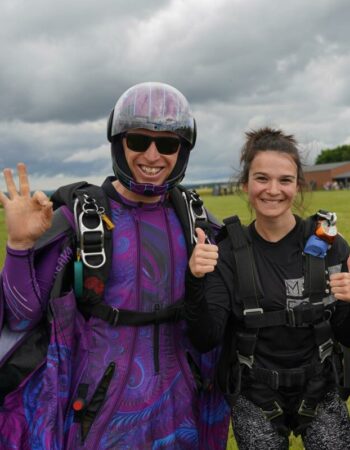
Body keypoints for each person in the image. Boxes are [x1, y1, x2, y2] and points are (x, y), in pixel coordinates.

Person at [0, 82, 229, 449]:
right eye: (138, 141)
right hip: (99, 411)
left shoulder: (199, 224)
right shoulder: (77, 220)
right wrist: (20, 247)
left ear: (182, 151)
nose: (153, 155)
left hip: (181, 409)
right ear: (118, 142)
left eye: (168, 144)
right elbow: (22, 316)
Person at [185, 127, 350, 449]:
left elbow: (347, 334)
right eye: (262, 179)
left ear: (298, 185)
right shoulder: (228, 253)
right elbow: (205, 338)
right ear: (245, 184)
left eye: (285, 180)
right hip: (254, 393)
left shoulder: (328, 243)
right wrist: (195, 280)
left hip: (321, 386)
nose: (273, 190)